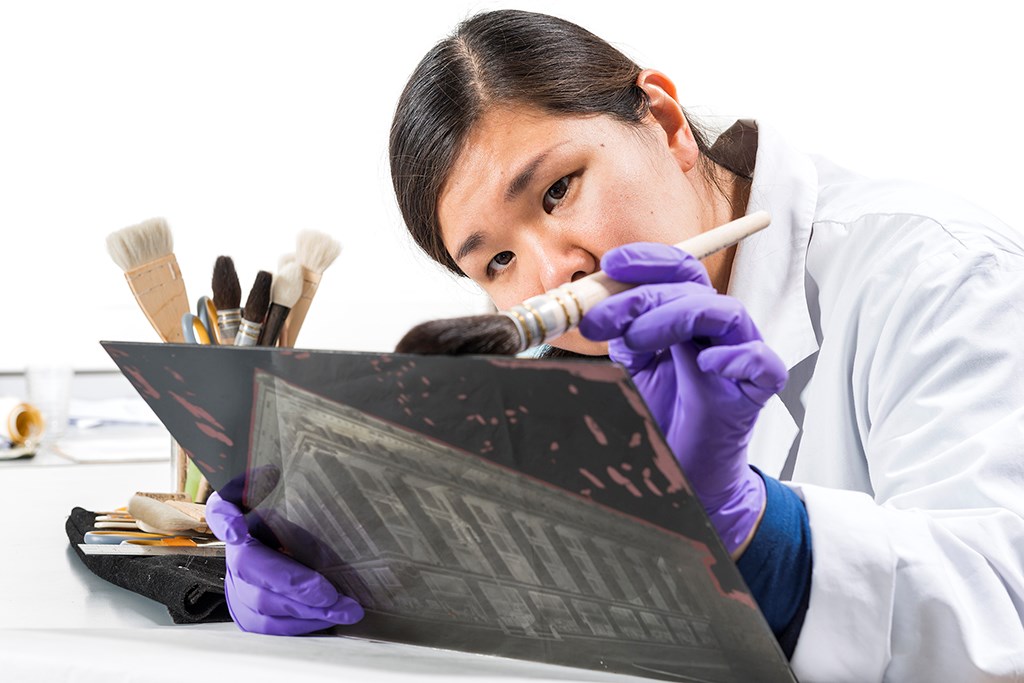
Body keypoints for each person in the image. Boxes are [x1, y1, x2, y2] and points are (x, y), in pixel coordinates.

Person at [205, 8, 1024, 681]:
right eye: (496, 260)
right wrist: (336, 560)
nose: (555, 271)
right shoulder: (549, 372)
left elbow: (1001, 609)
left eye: (560, 188)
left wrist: (756, 532)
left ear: (665, 122)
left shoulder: (939, 272)